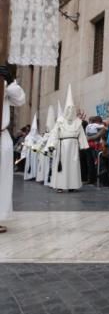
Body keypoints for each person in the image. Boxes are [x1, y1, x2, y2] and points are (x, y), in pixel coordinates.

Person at [47, 85, 89, 192]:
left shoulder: (78, 122)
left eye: (72, 108)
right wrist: (52, 145)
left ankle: (72, 185)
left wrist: (83, 145)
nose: (70, 110)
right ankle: (60, 186)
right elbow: (54, 134)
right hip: (62, 148)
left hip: (74, 147)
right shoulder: (60, 121)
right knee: (62, 166)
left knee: (73, 166)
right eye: (68, 108)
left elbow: (81, 135)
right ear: (66, 110)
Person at [0, 64, 25, 233]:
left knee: (2, 180)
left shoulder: (3, 85)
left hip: (2, 137)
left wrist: (9, 82)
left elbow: (20, 99)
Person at [35, 105, 56, 184]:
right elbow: (42, 142)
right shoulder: (47, 134)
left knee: (50, 167)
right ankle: (47, 179)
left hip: (51, 152)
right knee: (46, 167)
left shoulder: (52, 134)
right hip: (46, 153)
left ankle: (49, 180)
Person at [22, 113, 41, 180]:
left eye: (35, 130)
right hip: (29, 153)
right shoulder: (28, 137)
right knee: (29, 164)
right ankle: (29, 176)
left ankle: (35, 175)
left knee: (35, 164)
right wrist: (23, 154)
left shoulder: (39, 137)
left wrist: (36, 146)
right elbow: (25, 145)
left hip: (36, 153)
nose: (34, 131)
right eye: (33, 130)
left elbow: (40, 144)